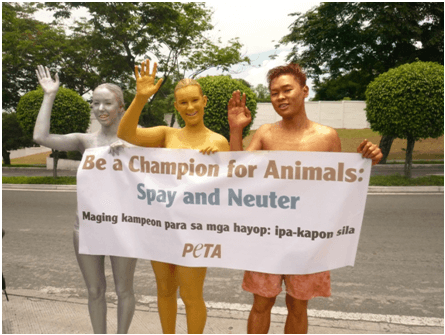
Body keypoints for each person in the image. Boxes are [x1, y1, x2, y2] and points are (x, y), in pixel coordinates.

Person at [228, 63, 383, 334]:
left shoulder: (326, 137)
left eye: (287, 89)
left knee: (298, 306)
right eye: (274, 93)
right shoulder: (264, 133)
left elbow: (342, 185)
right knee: (261, 304)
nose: (280, 97)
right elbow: (237, 175)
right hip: (267, 234)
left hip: (308, 236)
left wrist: (369, 160)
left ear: (305, 90)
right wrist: (236, 130)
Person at [117, 60, 229, 334]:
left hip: (196, 230)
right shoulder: (167, 135)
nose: (190, 107)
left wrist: (217, 158)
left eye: (194, 101)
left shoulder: (219, 141)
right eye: (183, 102)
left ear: (204, 101)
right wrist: (141, 98)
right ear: (176, 106)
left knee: (191, 296)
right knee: (165, 290)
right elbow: (126, 134)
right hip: (163, 226)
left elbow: (230, 191)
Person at [33, 65, 137, 334]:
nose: (100, 108)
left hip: (124, 227)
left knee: (124, 290)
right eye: (95, 103)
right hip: (87, 227)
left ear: (121, 107)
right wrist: (49, 96)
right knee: (94, 291)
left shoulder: (137, 141)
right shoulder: (85, 141)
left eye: (108, 103)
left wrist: (129, 151)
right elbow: (40, 137)